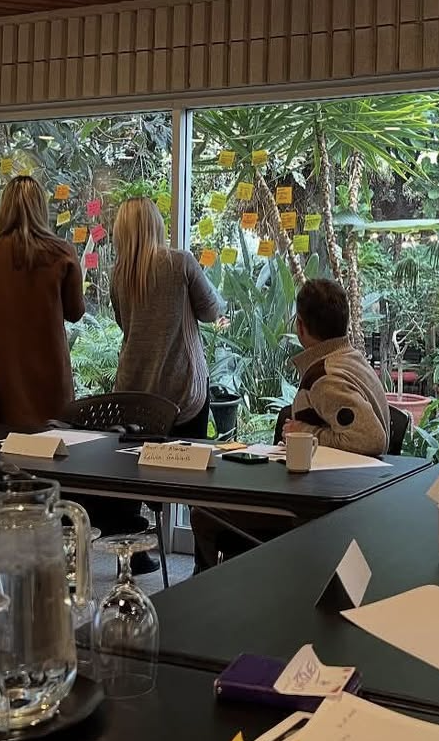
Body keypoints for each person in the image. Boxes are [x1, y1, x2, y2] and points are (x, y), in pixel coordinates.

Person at [190, 278, 389, 572]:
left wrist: (306, 434)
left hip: (316, 511)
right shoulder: (352, 359)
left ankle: (204, 597)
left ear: (301, 327)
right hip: (349, 501)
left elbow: (372, 439)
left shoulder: (326, 377)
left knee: (204, 512)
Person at [0, 174, 85, 427]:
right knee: (51, 454)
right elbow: (75, 312)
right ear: (41, 208)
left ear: (4, 208)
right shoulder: (62, 253)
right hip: (49, 381)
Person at [110, 196, 224, 436]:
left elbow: (125, 325)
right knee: (186, 468)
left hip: (134, 392)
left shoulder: (118, 275)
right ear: (157, 226)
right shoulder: (181, 262)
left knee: (137, 468)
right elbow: (211, 312)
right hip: (182, 392)